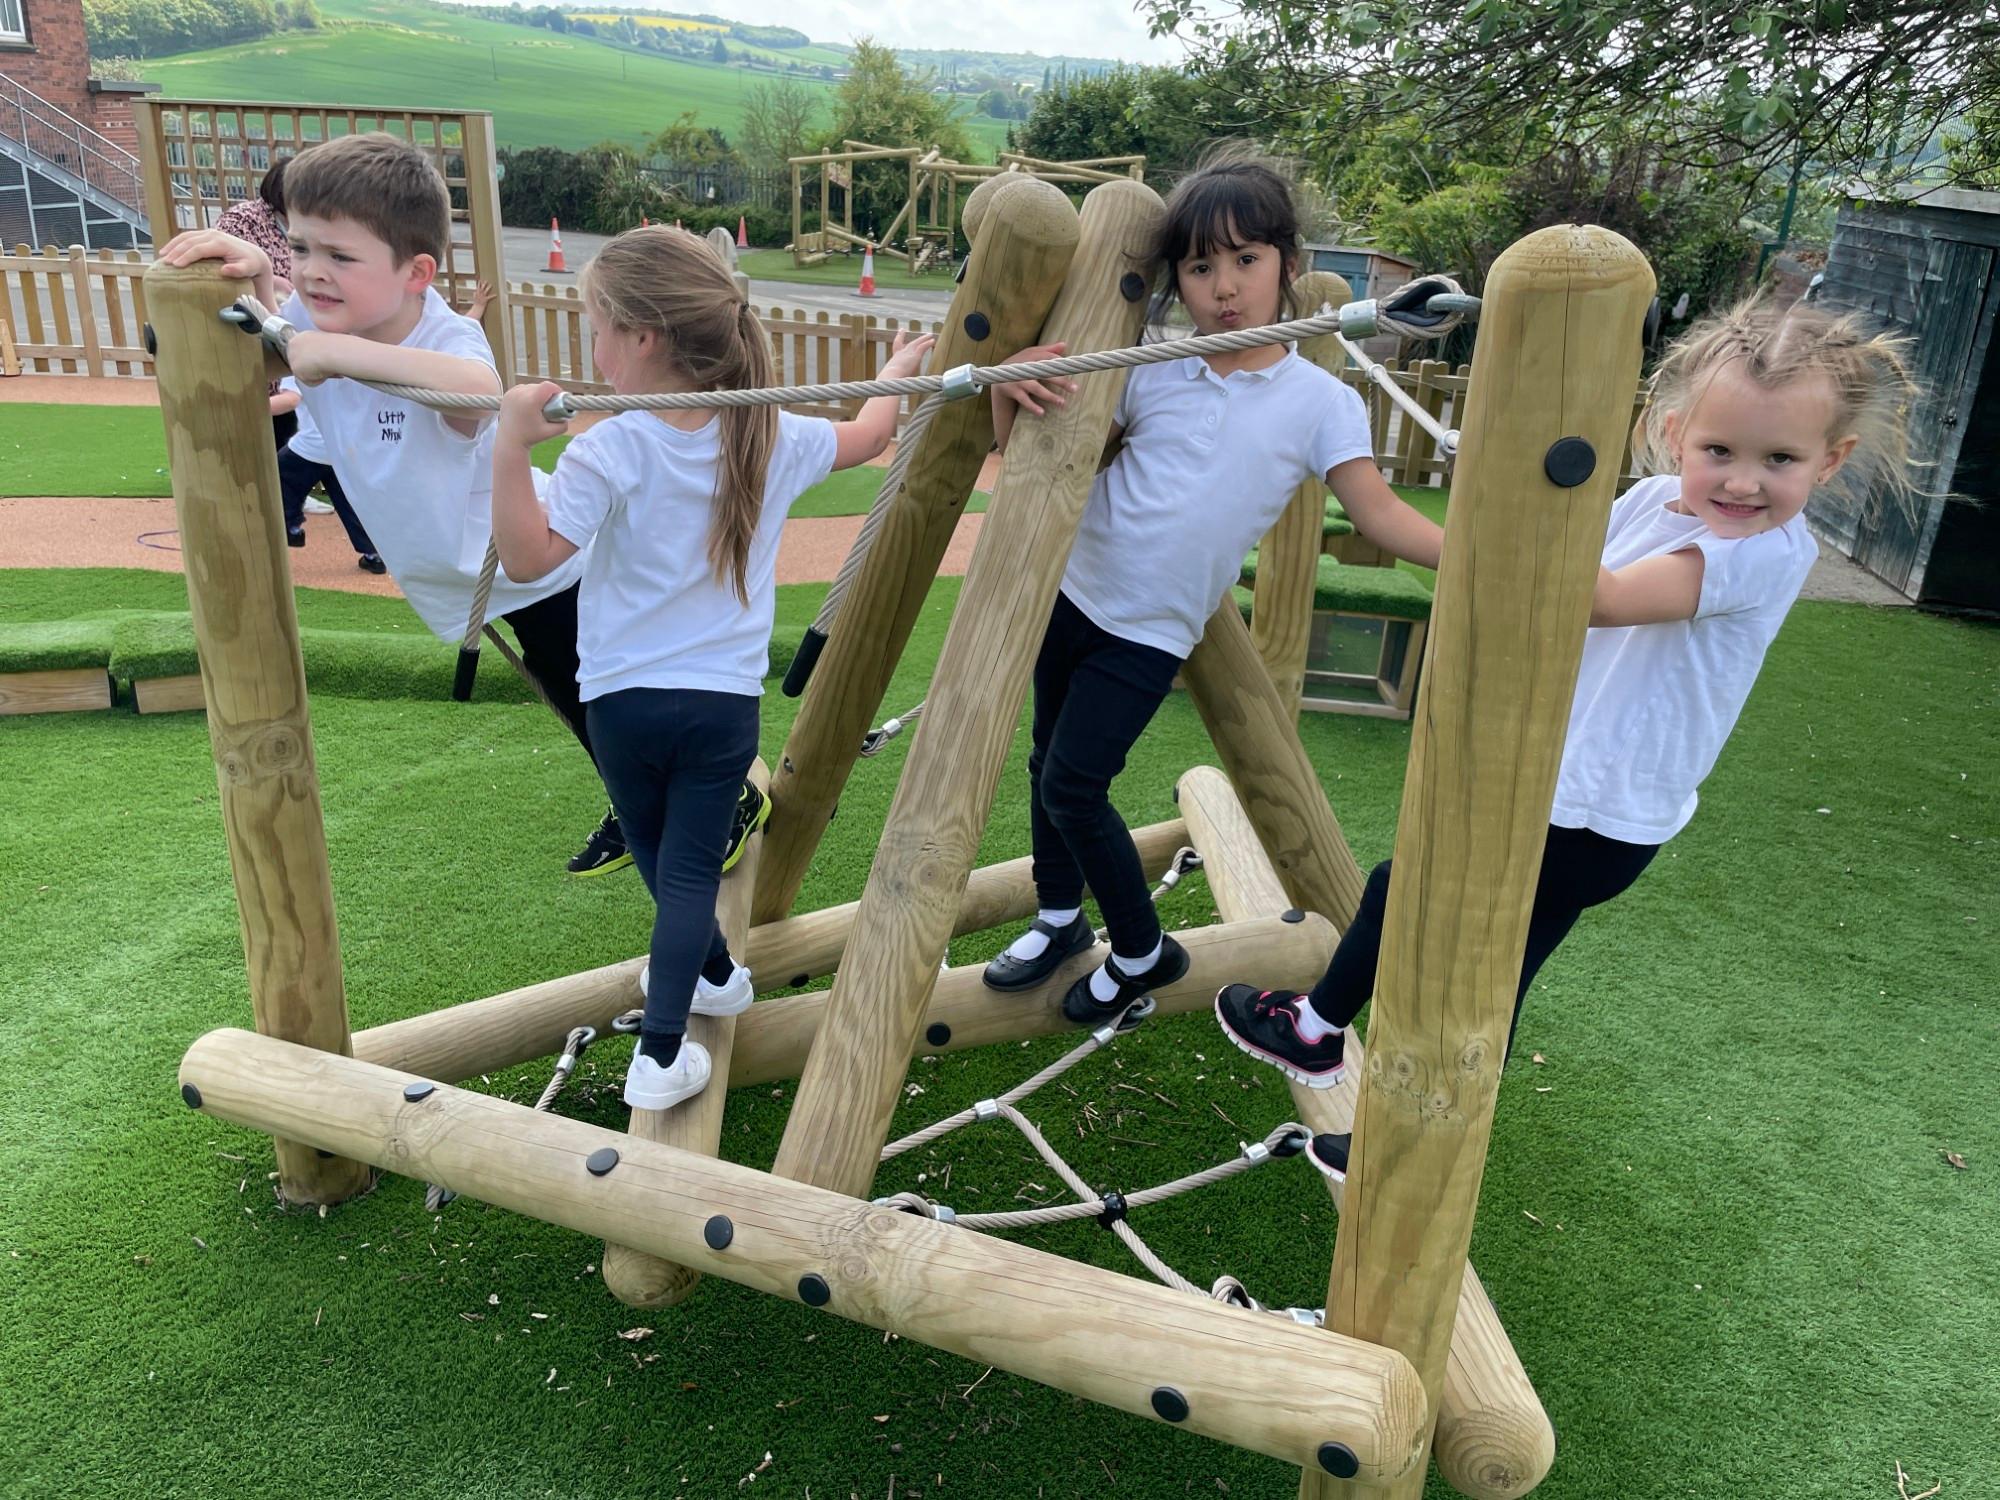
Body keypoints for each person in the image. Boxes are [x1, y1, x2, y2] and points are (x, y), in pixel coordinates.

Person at [1215, 297, 1920, 1110]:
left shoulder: (1763, 554)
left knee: (1418, 907)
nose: (1742, 480)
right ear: (1673, 430)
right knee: (1484, 966)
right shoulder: (1646, 506)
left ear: (1829, 463)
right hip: (1557, 785)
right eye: (1719, 448)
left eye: (1780, 460)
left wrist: (1518, 493)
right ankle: (1418, 1121)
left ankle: (1316, 1032)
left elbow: (1603, 597)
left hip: (1595, 814)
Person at [155, 132, 760, 880]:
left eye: (341, 258)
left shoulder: (445, 334)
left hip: (541, 567)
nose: (314, 272)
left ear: (416, 273)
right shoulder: (319, 327)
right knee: (586, 706)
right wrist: (263, 289)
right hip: (483, 574)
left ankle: (713, 797)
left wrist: (331, 353)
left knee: (609, 702)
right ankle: (648, 796)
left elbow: (478, 393)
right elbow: (276, 344)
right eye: (299, 247)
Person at [979, 151, 1445, 1027]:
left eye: (1245, 260)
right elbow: (1034, 445)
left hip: (1150, 629)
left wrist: (1469, 561)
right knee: (1047, 764)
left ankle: (1142, 949)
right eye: (1200, 267)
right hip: (1069, 593)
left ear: (1290, 267)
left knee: (1075, 786)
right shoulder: (1151, 369)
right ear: (1177, 282)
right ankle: (1056, 916)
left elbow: (1379, 515)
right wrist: (1018, 382)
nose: (1224, 287)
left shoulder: (1317, 402)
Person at [490, 226, 935, 1112]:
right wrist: (900, 363)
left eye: (599, 327)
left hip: (619, 699)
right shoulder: (770, 432)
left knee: (667, 859)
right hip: (721, 704)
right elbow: (871, 433)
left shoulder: (610, 446)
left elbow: (529, 560)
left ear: (644, 337)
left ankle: (659, 1057)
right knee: (681, 865)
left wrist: (508, 445)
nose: (594, 348)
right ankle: (718, 975)